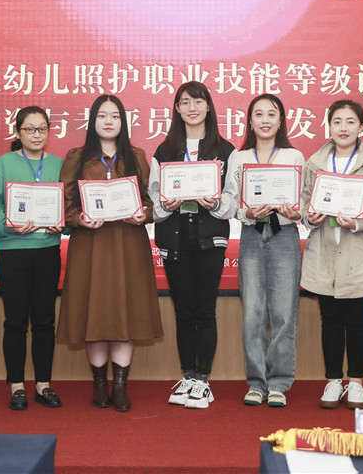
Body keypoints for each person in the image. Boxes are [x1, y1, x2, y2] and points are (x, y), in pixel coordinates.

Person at [57, 94, 162, 412]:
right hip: (90, 245)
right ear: (93, 121)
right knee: (95, 311)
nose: (108, 121)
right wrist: (79, 218)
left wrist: (144, 214)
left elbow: (151, 202)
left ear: (122, 122)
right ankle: (99, 384)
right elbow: (65, 204)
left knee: (126, 310)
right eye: (102, 115)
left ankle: (120, 386)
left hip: (128, 244)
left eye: (114, 116)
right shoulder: (77, 158)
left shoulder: (137, 157)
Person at [149, 81, 239, 409]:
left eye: (198, 102)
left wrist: (215, 204)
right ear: (176, 109)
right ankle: (187, 375)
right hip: (174, 240)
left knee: (205, 310)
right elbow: (153, 200)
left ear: (208, 106)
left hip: (210, 240)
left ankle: (203, 380)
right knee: (183, 312)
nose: (192, 108)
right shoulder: (164, 151)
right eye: (185, 102)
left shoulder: (225, 150)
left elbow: (232, 200)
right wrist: (165, 205)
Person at [300, 99, 363, 410]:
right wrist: (309, 217)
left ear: (361, 127)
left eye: (350, 121)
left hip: (361, 252)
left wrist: (357, 222)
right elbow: (303, 204)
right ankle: (332, 381)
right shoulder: (315, 163)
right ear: (329, 126)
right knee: (329, 319)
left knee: (357, 319)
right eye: (337, 121)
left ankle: (355, 382)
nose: (343, 128)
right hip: (324, 251)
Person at [0, 106, 64, 411]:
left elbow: (69, 205)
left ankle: (43, 384)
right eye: (29, 129)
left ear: (48, 131)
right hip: (13, 251)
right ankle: (17, 386)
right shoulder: (4, 163)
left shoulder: (58, 164)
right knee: (15, 321)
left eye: (42, 129)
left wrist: (63, 225)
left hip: (47, 251)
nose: (36, 135)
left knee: (44, 320)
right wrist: (8, 225)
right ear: (18, 132)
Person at [235, 94, 304, 408]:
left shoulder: (294, 156)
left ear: (281, 121)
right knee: (253, 313)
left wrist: (296, 213)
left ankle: (278, 383)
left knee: (283, 313)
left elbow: (304, 202)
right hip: (251, 234)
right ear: (250, 121)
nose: (265, 120)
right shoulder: (239, 157)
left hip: (284, 235)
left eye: (271, 114)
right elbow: (232, 202)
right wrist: (246, 213)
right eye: (258, 114)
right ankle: (256, 382)